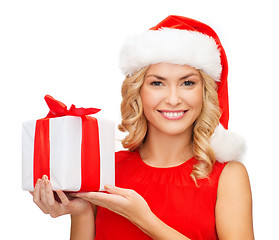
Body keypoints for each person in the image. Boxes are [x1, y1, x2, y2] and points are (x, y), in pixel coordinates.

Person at [31, 15, 254, 239]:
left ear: (205, 92)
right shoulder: (106, 170)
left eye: (188, 83)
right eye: (157, 83)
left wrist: (143, 218)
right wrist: (80, 213)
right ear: (138, 91)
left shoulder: (227, 176)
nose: (173, 99)